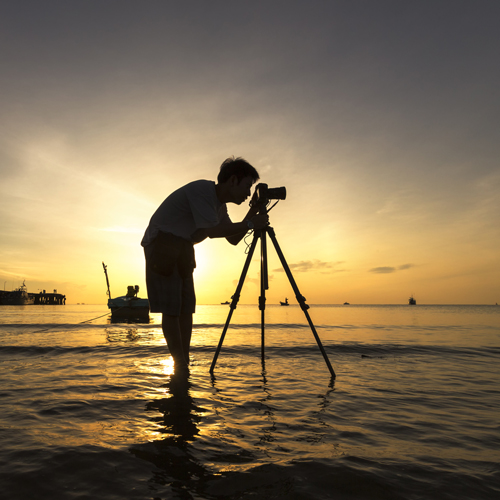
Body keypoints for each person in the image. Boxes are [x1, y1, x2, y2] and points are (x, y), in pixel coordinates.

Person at [141, 157, 268, 372]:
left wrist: (252, 213)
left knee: (186, 308)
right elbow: (214, 232)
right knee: (172, 309)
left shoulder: (219, 207)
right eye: (247, 186)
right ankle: (180, 363)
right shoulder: (202, 191)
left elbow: (233, 238)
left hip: (182, 246)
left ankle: (184, 361)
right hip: (162, 243)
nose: (248, 193)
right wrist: (249, 223)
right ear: (233, 180)